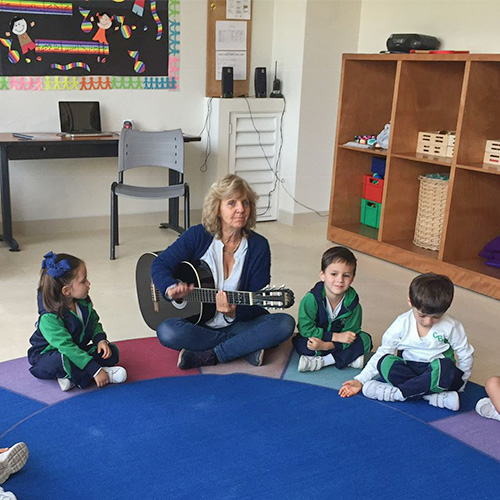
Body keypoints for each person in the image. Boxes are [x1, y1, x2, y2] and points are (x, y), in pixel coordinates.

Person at [152, 174, 296, 369]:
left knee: (284, 324)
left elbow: (255, 301)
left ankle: (212, 355)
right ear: (217, 208)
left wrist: (233, 311)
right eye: (232, 203)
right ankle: (245, 347)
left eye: (245, 203)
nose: (241, 209)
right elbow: (159, 264)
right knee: (167, 331)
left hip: (240, 324)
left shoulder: (258, 246)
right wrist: (169, 288)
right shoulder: (198, 236)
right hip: (200, 324)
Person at [339, 273, 474, 412]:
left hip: (436, 371)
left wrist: (461, 383)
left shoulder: (452, 326)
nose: (428, 322)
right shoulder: (401, 323)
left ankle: (399, 394)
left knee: (447, 368)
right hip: (409, 369)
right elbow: (384, 351)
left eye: (436, 317)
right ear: (410, 302)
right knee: (384, 362)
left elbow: (465, 353)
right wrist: (360, 379)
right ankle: (430, 397)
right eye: (422, 315)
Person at [28, 252, 127, 391]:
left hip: (75, 349)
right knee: (63, 360)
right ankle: (98, 374)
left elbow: (93, 322)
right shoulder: (49, 318)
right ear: (66, 290)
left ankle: (72, 377)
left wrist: (100, 340)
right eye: (83, 281)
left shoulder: (82, 302)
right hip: (48, 356)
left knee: (111, 352)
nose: (88, 284)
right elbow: (66, 347)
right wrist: (95, 370)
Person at [293, 246, 372, 372]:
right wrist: (335, 337)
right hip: (318, 340)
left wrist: (327, 346)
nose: (340, 280)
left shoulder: (353, 304)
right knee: (304, 344)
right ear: (322, 275)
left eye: (346, 275)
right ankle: (348, 358)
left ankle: (324, 361)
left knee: (365, 340)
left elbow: (351, 333)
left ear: (352, 277)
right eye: (334, 274)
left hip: (332, 344)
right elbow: (306, 329)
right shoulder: (311, 299)